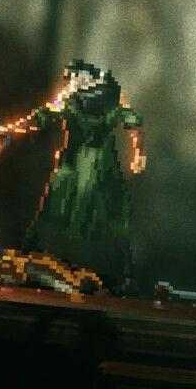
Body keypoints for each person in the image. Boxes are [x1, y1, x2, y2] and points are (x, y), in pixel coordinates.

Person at [23, 61, 145, 293]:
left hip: (97, 165)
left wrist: (139, 153)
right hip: (74, 163)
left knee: (94, 213)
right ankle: (50, 261)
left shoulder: (110, 99)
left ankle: (103, 272)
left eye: (75, 76)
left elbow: (133, 123)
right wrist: (20, 128)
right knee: (60, 206)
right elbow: (45, 116)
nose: (71, 81)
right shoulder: (72, 98)